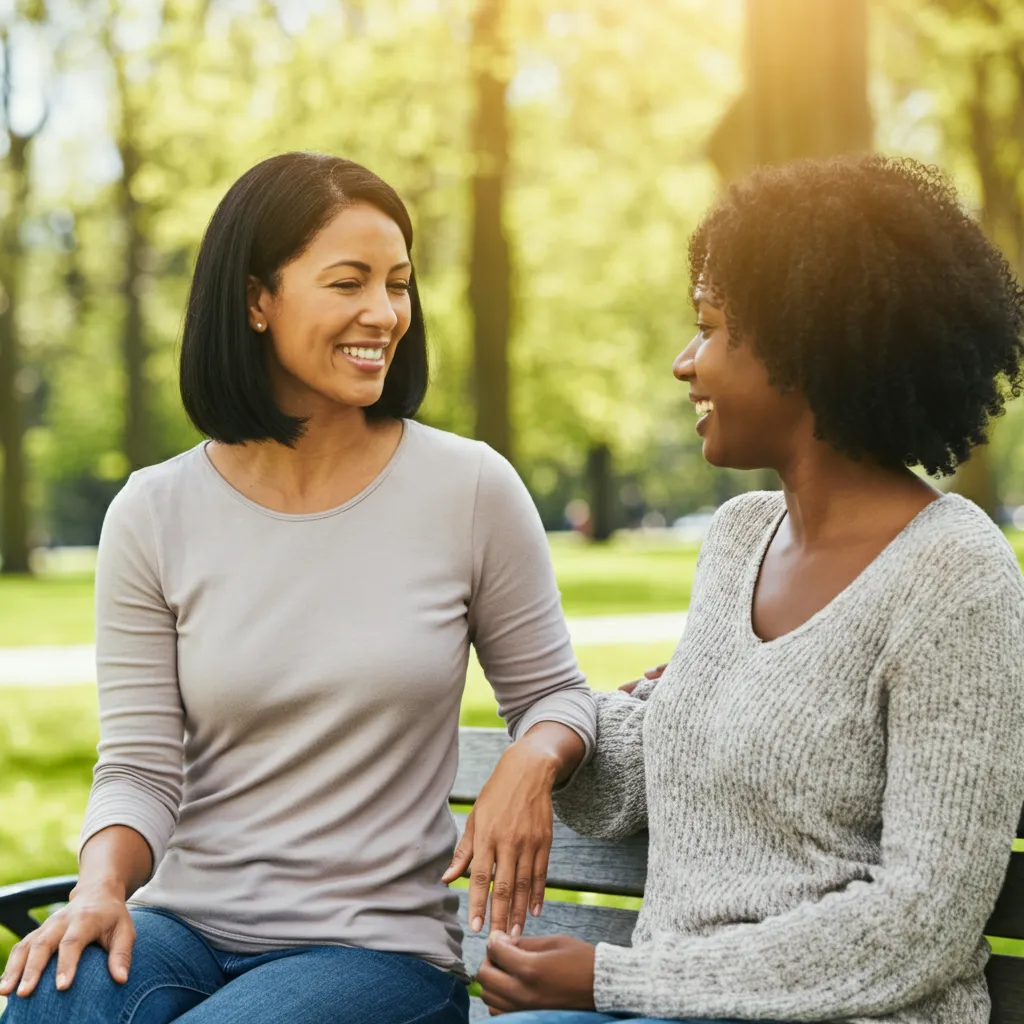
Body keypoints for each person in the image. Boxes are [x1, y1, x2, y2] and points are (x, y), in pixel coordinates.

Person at [0, 153, 597, 1024]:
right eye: (347, 282)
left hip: (378, 953)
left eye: (398, 284)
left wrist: (534, 755)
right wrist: (98, 888)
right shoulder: (154, 512)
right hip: (185, 925)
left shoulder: (469, 489)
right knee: (53, 1004)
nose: (384, 314)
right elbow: (138, 768)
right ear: (255, 300)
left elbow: (554, 695)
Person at [479, 155, 1024, 1024]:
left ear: (806, 348)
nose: (683, 363)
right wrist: (551, 742)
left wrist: (611, 981)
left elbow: (922, 921)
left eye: (710, 328)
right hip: (667, 1009)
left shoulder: (956, 574)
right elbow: (655, 769)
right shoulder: (739, 540)